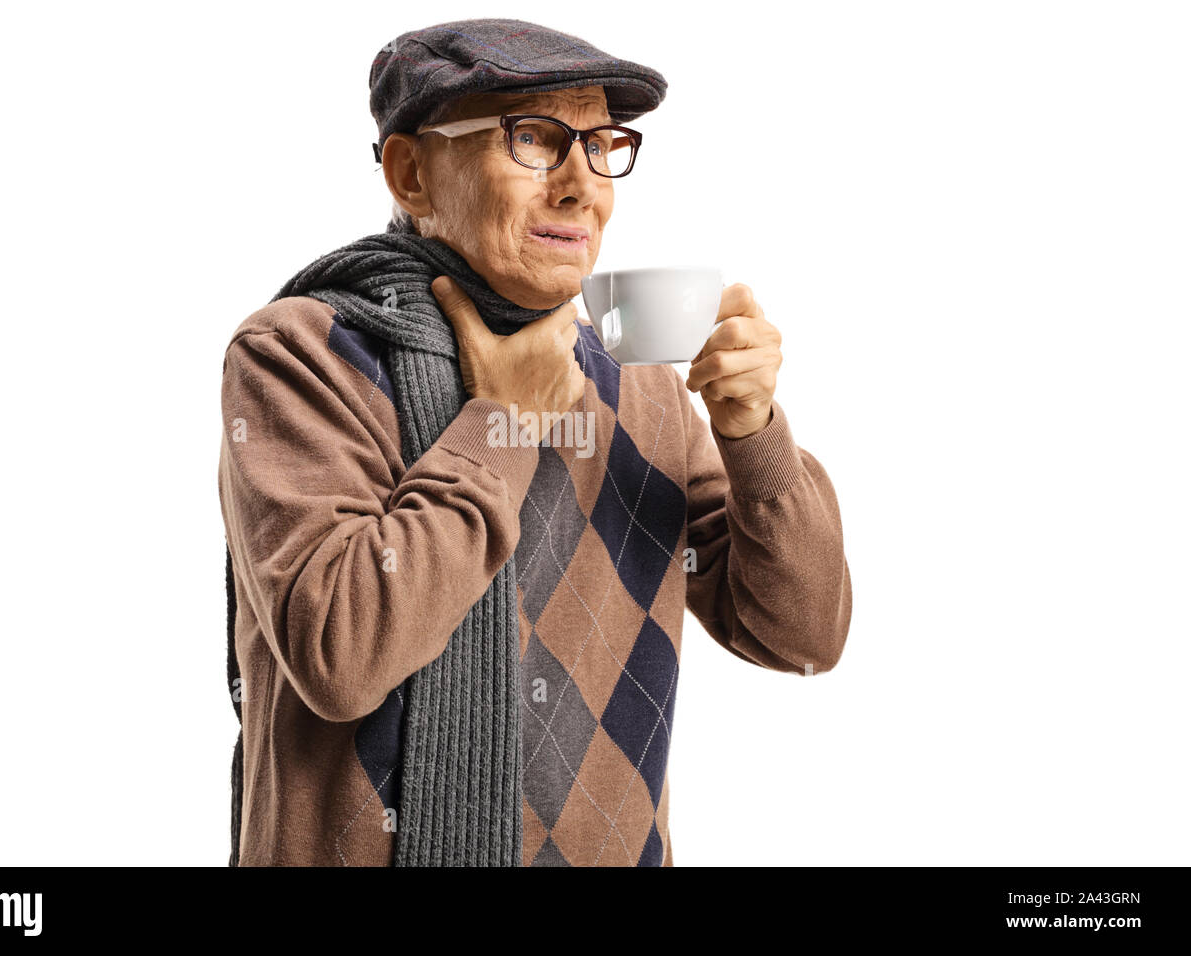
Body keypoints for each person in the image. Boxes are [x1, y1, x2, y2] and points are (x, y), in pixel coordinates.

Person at [218, 17, 852, 867]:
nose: (581, 186)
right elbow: (340, 651)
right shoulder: (302, 354)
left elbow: (802, 635)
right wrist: (500, 422)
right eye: (534, 140)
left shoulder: (637, 378)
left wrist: (754, 436)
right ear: (411, 173)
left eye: (602, 145)